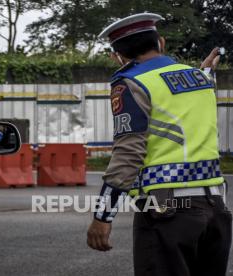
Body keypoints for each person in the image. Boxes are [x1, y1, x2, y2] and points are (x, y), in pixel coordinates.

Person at [87, 13, 232, 276]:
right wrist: (205, 70)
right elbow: (185, 94)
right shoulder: (201, 80)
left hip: (168, 214)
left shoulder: (130, 83)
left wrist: (103, 216)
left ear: (117, 55)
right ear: (161, 43)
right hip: (216, 210)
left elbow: (128, 154)